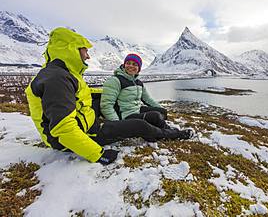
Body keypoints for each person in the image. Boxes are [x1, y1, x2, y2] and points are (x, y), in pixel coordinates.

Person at [25, 27, 192, 165]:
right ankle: (174, 135)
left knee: (102, 100)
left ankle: (159, 127)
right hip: (78, 135)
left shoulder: (62, 73)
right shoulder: (57, 78)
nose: (88, 56)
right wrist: (98, 154)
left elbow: (79, 96)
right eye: (85, 51)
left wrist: (104, 95)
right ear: (72, 49)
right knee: (140, 125)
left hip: (83, 122)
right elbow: (64, 129)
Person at [100, 53, 169, 130]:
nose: (131, 66)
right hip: (125, 115)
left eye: (135, 64)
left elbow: (148, 99)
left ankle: (157, 125)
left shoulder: (138, 82)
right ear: (124, 65)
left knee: (162, 111)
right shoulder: (115, 80)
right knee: (155, 116)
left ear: (138, 68)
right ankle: (167, 130)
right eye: (128, 63)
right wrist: (117, 124)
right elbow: (106, 105)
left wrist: (161, 109)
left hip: (137, 110)